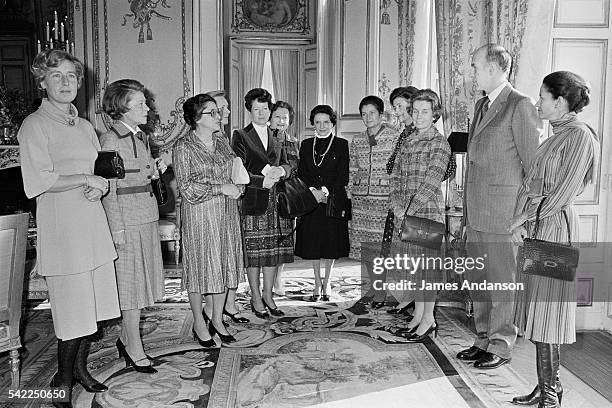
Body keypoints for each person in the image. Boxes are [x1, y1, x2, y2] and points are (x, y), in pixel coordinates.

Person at [18, 49, 119, 407]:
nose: (65, 83)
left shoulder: (84, 125)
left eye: (71, 76)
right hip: (62, 228)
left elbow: (91, 168)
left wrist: (95, 184)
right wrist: (85, 178)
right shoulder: (34, 124)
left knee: (90, 307)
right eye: (56, 76)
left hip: (90, 223)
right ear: (42, 82)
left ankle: (79, 369)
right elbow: (38, 180)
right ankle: (61, 379)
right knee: (72, 310)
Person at [509, 71, 599, 408]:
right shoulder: (557, 135)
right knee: (538, 311)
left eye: (542, 97)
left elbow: (559, 194)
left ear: (559, 101)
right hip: (540, 228)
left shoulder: (578, 137)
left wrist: (520, 219)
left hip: (555, 231)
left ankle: (549, 397)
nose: (537, 102)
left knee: (547, 315)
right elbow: (532, 185)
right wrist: (521, 222)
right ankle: (549, 387)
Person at [457, 43, 542, 369]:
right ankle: (482, 338)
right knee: (478, 280)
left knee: (501, 282)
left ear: (493, 68)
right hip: (477, 211)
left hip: (503, 215)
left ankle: (502, 343)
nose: (472, 71)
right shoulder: (481, 104)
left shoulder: (520, 105)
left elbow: (533, 167)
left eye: (476, 66)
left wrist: (522, 217)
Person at [100, 79, 167, 373]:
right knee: (130, 288)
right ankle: (132, 347)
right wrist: (116, 229)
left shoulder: (140, 137)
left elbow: (137, 173)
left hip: (146, 216)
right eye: (139, 103)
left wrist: (154, 170)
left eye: (145, 102)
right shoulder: (111, 140)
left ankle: (127, 337)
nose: (147, 108)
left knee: (142, 284)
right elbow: (109, 190)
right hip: (126, 221)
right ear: (121, 107)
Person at [174, 94, 245, 345]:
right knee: (199, 269)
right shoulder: (183, 146)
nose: (219, 117)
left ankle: (217, 319)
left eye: (218, 112)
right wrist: (221, 188)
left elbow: (237, 172)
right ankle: (198, 321)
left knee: (224, 266)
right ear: (196, 118)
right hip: (199, 216)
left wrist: (238, 188)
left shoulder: (223, 141)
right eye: (212, 113)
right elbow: (186, 188)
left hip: (226, 214)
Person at [388, 89, 450, 342]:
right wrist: (397, 205)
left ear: (434, 114)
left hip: (426, 215)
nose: (420, 116)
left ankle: (429, 320)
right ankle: (419, 316)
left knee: (428, 272)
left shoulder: (440, 143)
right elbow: (396, 176)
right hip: (405, 212)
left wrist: (408, 211)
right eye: (416, 111)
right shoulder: (407, 141)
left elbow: (431, 182)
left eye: (425, 112)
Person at [232, 88, 293, 318]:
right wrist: (262, 180)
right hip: (255, 200)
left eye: (265, 108)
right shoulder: (241, 135)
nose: (261, 113)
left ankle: (269, 295)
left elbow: (288, 165)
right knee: (255, 254)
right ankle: (255, 297)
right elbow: (238, 170)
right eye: (256, 109)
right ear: (249, 110)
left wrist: (282, 170)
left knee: (272, 253)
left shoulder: (277, 135)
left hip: (276, 203)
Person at [348, 95, 401, 308]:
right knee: (366, 248)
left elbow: (398, 169)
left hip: (383, 200)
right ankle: (373, 287)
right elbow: (352, 168)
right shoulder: (357, 140)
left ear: (381, 114)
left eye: (372, 113)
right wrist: (351, 190)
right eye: (364, 114)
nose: (368, 117)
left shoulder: (394, 137)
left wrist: (395, 195)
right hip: (361, 201)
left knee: (381, 247)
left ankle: (381, 290)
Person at [294, 105, 350, 301]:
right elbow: (302, 173)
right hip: (311, 201)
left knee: (330, 244)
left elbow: (342, 176)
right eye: (317, 122)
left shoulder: (342, 144)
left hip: (332, 200)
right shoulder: (306, 144)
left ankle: (327, 283)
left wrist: (325, 192)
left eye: (326, 122)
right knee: (313, 245)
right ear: (312, 124)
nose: (322, 126)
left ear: (333, 122)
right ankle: (317, 283)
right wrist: (313, 192)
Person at [204, 89, 249, 324]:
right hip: (210, 207)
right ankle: (212, 312)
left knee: (229, 257)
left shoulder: (221, 136)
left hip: (229, 205)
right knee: (215, 262)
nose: (228, 111)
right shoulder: (204, 137)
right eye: (223, 108)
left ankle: (227, 305)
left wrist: (239, 186)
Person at [386, 85, 419, 316]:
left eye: (400, 106)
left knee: (417, 255)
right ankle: (408, 297)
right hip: (399, 202)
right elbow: (391, 166)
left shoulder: (424, 132)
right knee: (402, 254)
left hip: (418, 203)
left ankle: (419, 304)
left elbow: (448, 169)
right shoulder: (404, 133)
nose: (397, 111)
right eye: (394, 106)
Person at [269, 100, 299, 297]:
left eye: (285, 118)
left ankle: (278, 277)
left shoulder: (294, 142)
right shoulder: (261, 138)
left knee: (283, 240)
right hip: (262, 193)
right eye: (277, 116)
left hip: (285, 197)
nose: (281, 121)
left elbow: (296, 168)